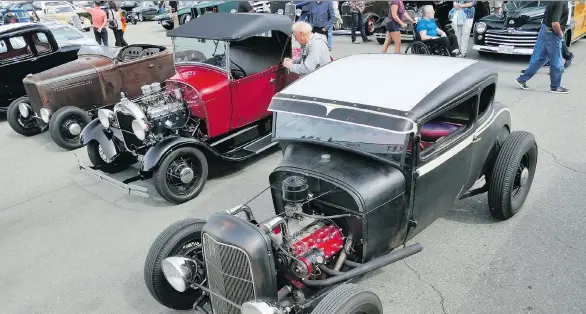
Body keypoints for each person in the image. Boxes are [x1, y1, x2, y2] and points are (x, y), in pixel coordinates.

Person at [515, 1, 570, 94]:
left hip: (546, 31)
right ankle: (555, 87)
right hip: (552, 34)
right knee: (556, 61)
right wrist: (560, 35)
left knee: (542, 59)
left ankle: (522, 79)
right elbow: (555, 23)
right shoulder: (560, 2)